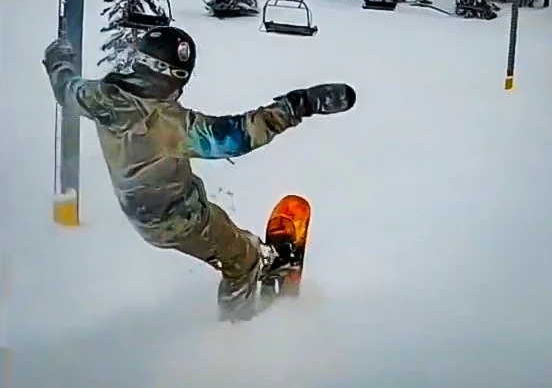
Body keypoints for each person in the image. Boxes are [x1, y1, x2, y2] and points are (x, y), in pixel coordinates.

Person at [43, 25, 356, 321]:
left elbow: (65, 89)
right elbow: (237, 135)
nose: (179, 90)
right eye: (179, 80)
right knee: (241, 262)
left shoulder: (100, 97)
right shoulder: (169, 123)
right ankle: (239, 328)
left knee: (227, 233)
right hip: (179, 220)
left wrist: (59, 61)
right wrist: (298, 105)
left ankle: (256, 253)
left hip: (152, 210)